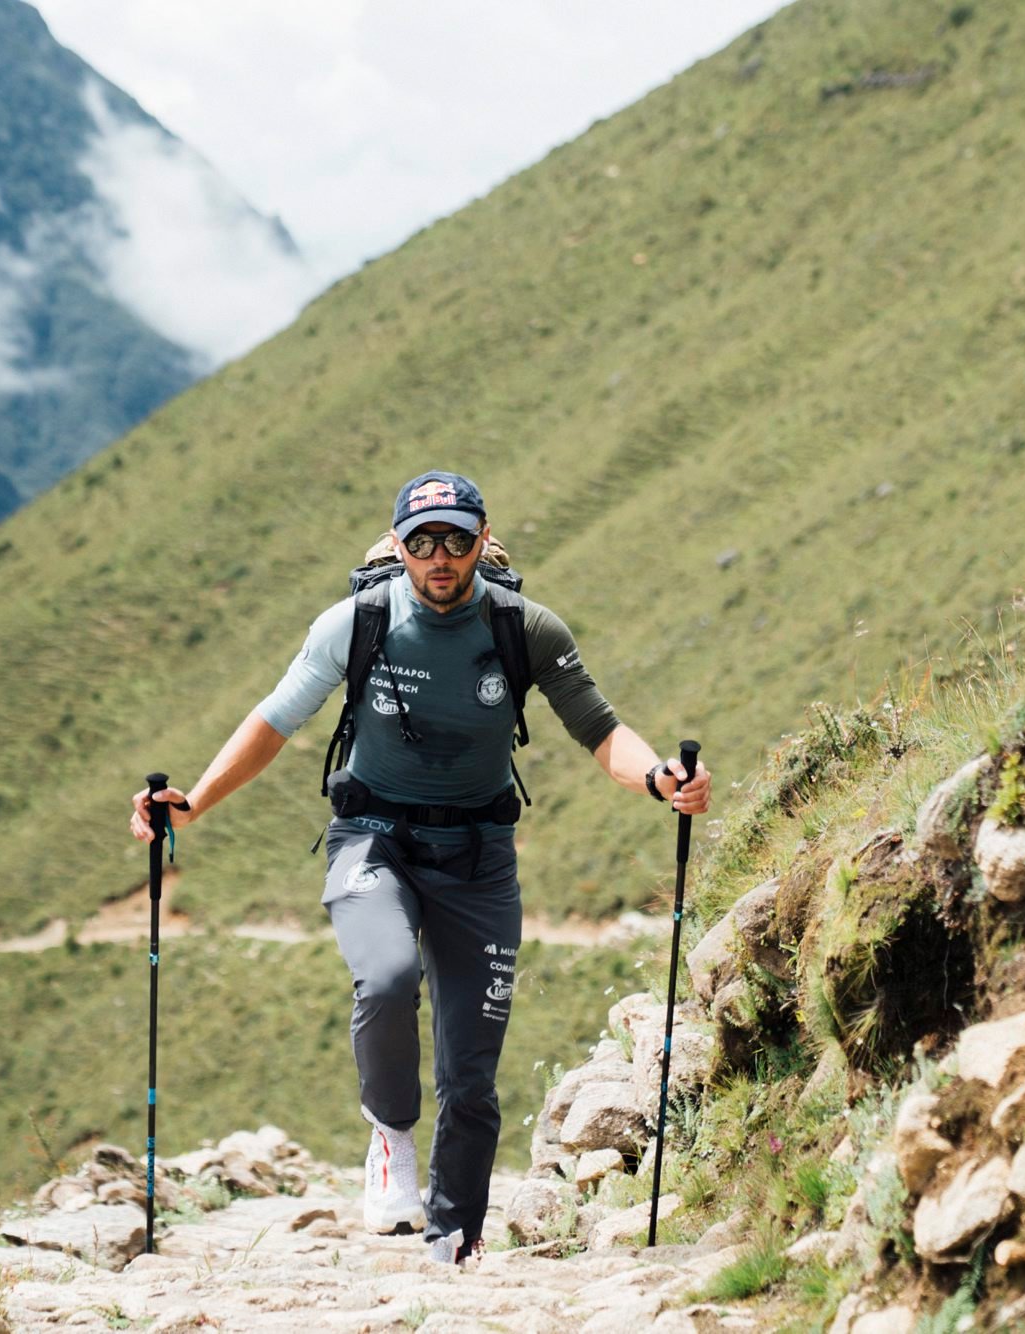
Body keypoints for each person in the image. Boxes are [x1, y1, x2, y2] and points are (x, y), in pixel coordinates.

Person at [130, 469, 711, 1266]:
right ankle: (391, 1137)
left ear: (481, 540)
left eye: (457, 540)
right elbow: (274, 720)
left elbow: (600, 730)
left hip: (479, 858)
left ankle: (453, 1248)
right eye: (423, 541)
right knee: (389, 976)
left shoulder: (525, 628)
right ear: (398, 544)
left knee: (471, 1073)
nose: (441, 557)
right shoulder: (358, 621)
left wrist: (658, 780)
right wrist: (193, 801)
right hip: (374, 840)